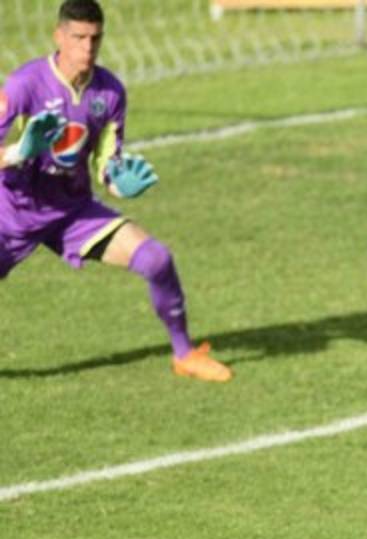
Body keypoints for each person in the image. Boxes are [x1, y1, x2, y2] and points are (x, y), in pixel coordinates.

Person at [0, 0, 232, 382]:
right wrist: (18, 152)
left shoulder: (109, 92)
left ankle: (185, 355)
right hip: (12, 211)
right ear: (59, 37)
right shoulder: (24, 84)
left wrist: (117, 181)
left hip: (71, 212)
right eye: (78, 38)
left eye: (95, 38)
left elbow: (108, 159)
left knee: (156, 259)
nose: (87, 48)